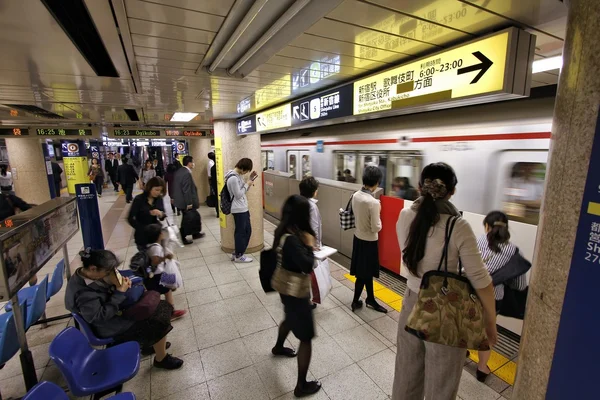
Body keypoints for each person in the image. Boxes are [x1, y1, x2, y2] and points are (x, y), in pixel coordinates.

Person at [392, 162, 497, 400]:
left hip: (410, 303)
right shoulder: (458, 226)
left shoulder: (405, 215)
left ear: (419, 187)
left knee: (407, 375)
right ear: (452, 191)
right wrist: (489, 323)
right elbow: (481, 281)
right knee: (441, 384)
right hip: (445, 310)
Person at [64, 249, 183, 370]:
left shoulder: (87, 275)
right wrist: (119, 293)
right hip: (108, 326)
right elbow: (99, 317)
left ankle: (150, 342)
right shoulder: (82, 293)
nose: (110, 274)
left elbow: (103, 291)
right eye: (107, 272)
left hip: (114, 313)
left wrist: (118, 283)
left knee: (159, 307)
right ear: (93, 268)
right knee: (158, 318)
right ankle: (161, 359)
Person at [271, 195, 321, 397]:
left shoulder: (285, 230)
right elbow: (307, 265)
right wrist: (309, 245)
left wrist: (306, 244)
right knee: (306, 337)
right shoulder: (293, 239)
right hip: (295, 290)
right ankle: (301, 385)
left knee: (289, 318)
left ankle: (278, 347)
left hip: (284, 287)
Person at [475, 211, 527, 383]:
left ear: (487, 226)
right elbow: (519, 285)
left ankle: (461, 352)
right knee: (486, 331)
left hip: (471, 293)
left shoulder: (477, 241)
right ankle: (482, 368)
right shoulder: (513, 251)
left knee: (466, 323)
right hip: (493, 298)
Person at [350, 166, 387, 313]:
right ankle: (355, 301)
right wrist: (380, 211)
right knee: (364, 274)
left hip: (358, 239)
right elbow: (376, 227)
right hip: (369, 242)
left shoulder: (356, 195)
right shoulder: (373, 203)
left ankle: (370, 299)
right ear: (377, 182)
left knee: (364, 272)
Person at [144, 224, 187, 321]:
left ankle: (170, 311)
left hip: (159, 273)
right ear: (158, 235)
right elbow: (155, 261)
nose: (163, 233)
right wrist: (165, 257)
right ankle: (166, 313)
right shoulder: (155, 247)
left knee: (168, 290)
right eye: (161, 232)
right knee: (163, 291)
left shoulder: (155, 245)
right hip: (157, 276)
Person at [226, 158, 257, 263]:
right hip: (238, 209)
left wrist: (250, 179)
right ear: (243, 168)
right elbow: (238, 195)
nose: (246, 173)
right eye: (247, 170)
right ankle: (239, 256)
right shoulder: (233, 178)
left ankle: (237, 253)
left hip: (243, 208)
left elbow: (243, 191)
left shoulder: (238, 176)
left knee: (246, 231)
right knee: (241, 232)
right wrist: (247, 183)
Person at [299, 177, 321, 310]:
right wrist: (314, 245)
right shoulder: (312, 206)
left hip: (301, 243)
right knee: (309, 272)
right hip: (308, 245)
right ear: (313, 191)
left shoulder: (299, 202)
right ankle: (307, 300)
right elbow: (313, 228)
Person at [173, 156, 204, 245]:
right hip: (185, 202)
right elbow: (186, 189)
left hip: (180, 200)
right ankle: (183, 236)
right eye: (193, 162)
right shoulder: (186, 173)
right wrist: (189, 203)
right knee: (188, 219)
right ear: (189, 163)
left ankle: (195, 233)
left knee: (195, 216)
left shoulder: (180, 171)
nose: (193, 164)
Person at [128, 177, 167, 249]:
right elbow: (130, 218)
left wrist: (160, 213)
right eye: (156, 190)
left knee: (159, 257)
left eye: (160, 190)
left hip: (156, 235)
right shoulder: (139, 199)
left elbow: (163, 216)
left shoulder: (158, 199)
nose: (158, 192)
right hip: (142, 236)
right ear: (150, 188)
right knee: (146, 257)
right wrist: (142, 228)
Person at [208, 152, 218, 217]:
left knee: (216, 198)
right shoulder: (219, 167)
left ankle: (218, 213)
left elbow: (210, 176)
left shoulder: (212, 168)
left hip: (215, 185)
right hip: (219, 185)